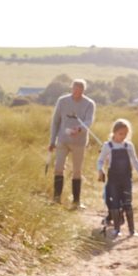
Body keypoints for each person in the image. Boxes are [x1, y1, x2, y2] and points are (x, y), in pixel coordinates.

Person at [96, 118, 138, 237]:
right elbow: (100, 160)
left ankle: (132, 230)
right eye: (120, 134)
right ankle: (116, 229)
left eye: (125, 134)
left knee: (128, 203)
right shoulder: (108, 146)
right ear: (114, 132)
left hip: (126, 179)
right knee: (114, 203)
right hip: (113, 180)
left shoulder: (128, 146)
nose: (123, 136)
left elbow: (135, 162)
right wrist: (100, 170)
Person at [48, 79, 96, 208]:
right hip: (62, 140)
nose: (76, 93)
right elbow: (56, 121)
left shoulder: (89, 104)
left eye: (79, 91)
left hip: (79, 142)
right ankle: (56, 199)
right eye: (74, 90)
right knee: (58, 168)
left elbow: (89, 121)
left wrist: (80, 129)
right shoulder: (62, 101)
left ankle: (76, 202)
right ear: (71, 89)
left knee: (77, 171)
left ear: (83, 91)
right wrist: (52, 141)